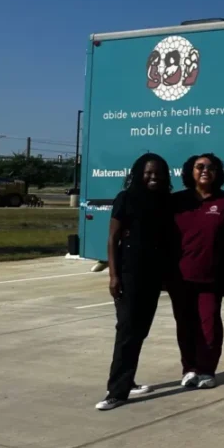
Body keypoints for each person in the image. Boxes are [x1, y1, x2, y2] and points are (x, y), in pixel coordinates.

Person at [95, 153, 175, 411]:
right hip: (129, 273)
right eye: (148, 172)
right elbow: (112, 238)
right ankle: (116, 392)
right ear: (138, 173)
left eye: (158, 173)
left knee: (139, 330)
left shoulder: (165, 201)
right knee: (127, 331)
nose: (153, 177)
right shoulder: (126, 199)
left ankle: (127, 380)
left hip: (153, 275)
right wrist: (113, 275)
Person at [170, 153, 224, 390]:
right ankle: (189, 369)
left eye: (211, 167)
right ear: (190, 171)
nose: (205, 170)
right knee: (185, 325)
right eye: (199, 166)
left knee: (209, 325)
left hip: (212, 277)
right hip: (180, 277)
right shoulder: (177, 201)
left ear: (218, 173)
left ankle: (207, 370)